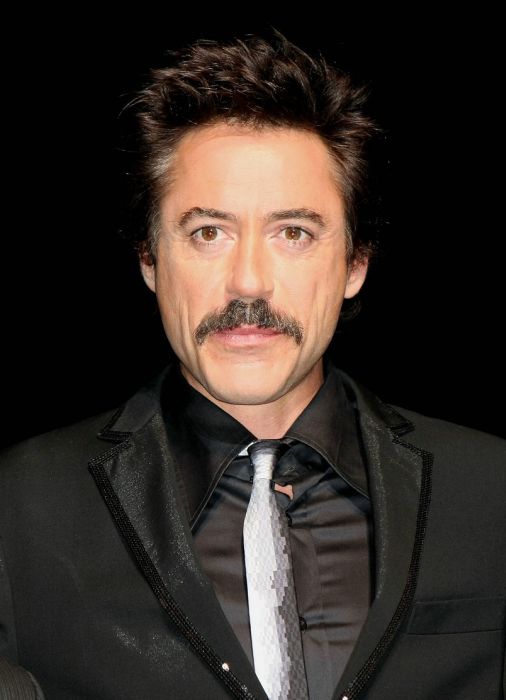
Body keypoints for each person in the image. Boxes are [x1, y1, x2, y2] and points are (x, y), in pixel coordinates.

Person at [1, 29, 504, 700]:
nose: (248, 281)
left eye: (293, 233)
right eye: (208, 232)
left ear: (355, 263)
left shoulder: (491, 490)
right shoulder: (21, 505)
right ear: (149, 258)